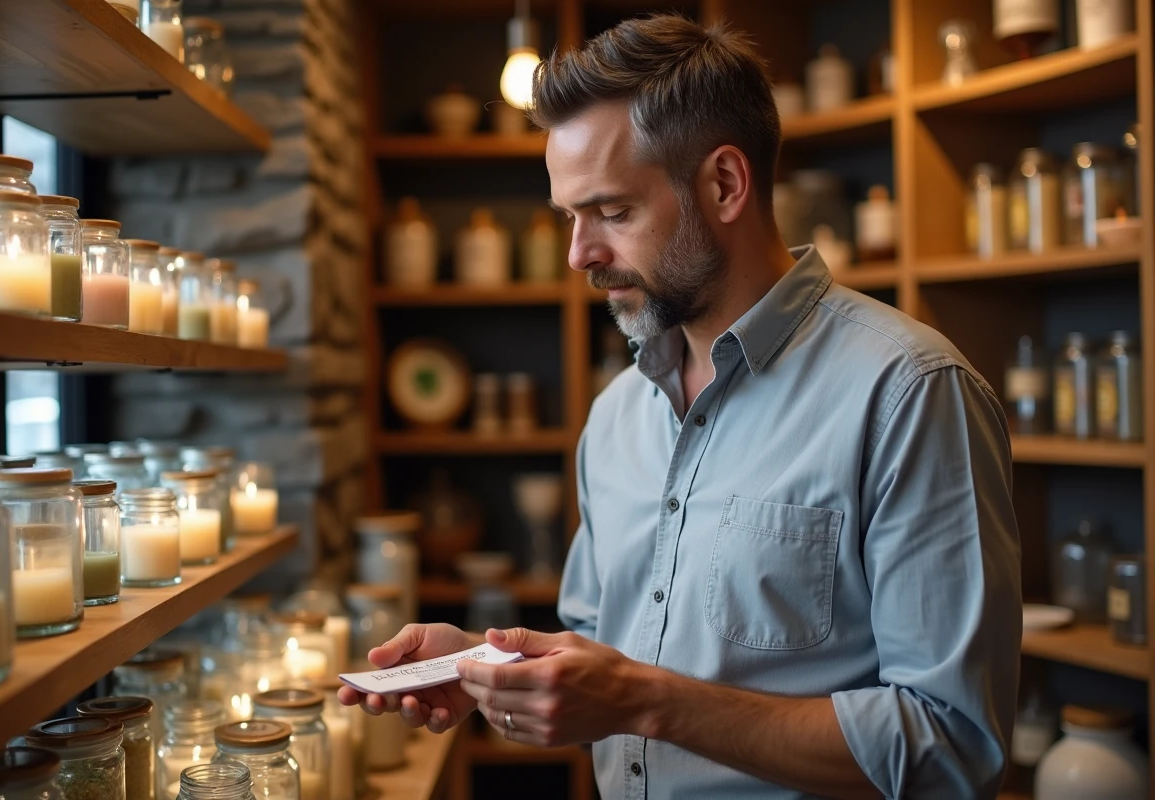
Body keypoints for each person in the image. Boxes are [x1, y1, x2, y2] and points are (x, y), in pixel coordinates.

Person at [340, 13, 1022, 799]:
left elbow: (951, 746)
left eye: (613, 212)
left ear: (725, 184)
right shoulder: (616, 416)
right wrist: (486, 669)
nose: (579, 256)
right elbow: (607, 655)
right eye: (571, 217)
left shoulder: (909, 393)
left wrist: (647, 702)